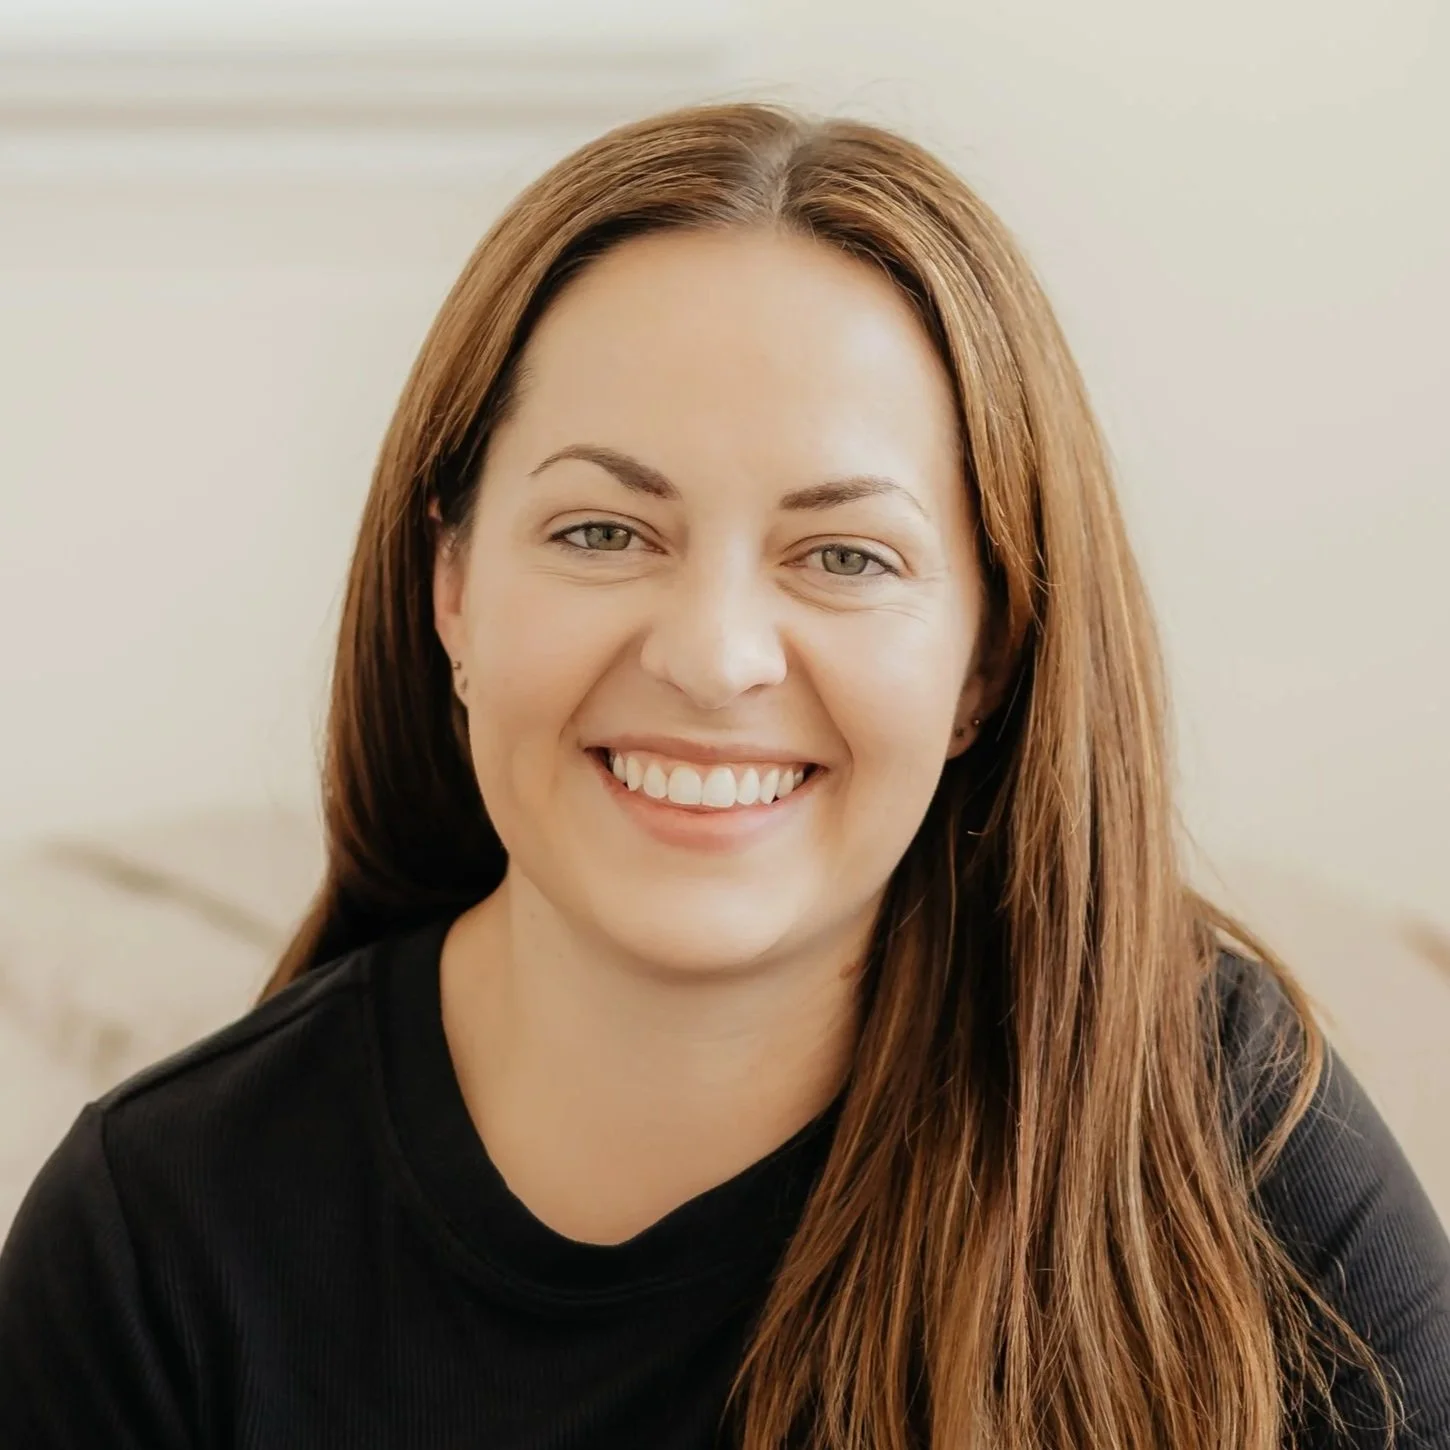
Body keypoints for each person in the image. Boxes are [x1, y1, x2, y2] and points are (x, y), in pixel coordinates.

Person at [0, 101, 1446, 1450]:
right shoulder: (158, 1238)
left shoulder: (1214, 1130)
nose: (712, 655)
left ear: (986, 664)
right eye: (601, 531)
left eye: (844, 556)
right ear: (451, 585)